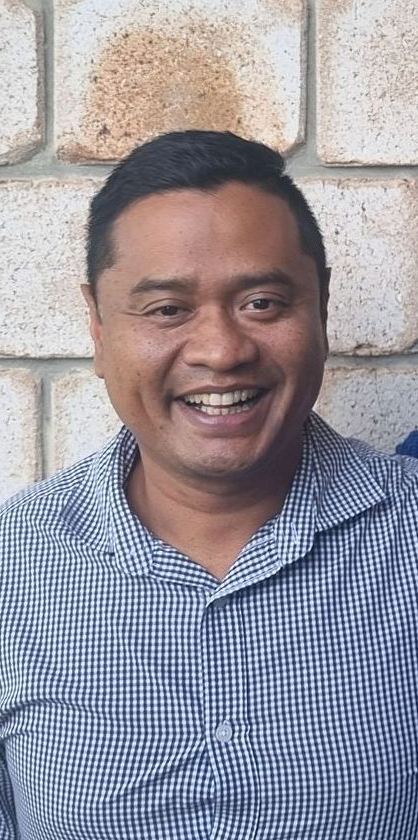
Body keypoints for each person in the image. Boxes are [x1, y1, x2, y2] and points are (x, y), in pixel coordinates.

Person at [1, 130, 417, 840]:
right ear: (98, 328)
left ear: (321, 308)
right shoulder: (13, 563)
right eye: (166, 309)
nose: (222, 350)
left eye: (262, 302)